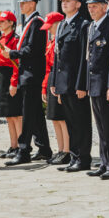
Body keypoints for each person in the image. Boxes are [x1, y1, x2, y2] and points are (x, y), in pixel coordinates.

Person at [3, 0, 53, 166]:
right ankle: (44, 148)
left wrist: (13, 53)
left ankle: (23, 150)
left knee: (28, 113)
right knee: (36, 114)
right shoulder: (29, 22)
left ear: (32, 3)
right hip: (27, 73)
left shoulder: (37, 22)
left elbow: (33, 49)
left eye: (24, 3)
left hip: (32, 74)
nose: (21, 5)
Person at [52, 0, 92, 172]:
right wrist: (54, 81)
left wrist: (82, 84)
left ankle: (83, 158)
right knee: (70, 122)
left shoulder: (83, 25)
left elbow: (85, 58)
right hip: (63, 82)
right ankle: (74, 156)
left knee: (81, 121)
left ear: (78, 4)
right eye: (63, 1)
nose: (64, 3)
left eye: (69, 1)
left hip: (76, 83)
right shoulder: (61, 25)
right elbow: (57, 56)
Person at [84, 0, 109, 180]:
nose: (91, 10)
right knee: (100, 127)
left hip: (105, 85)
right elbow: (89, 60)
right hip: (95, 84)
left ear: (105, 7)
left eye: (95, 7)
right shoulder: (91, 26)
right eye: (89, 7)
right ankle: (104, 162)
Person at [0, 10, 22, 157]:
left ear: (11, 23)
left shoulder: (15, 40)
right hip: (2, 76)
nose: (0, 24)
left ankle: (21, 146)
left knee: (16, 114)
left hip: (11, 75)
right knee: (8, 115)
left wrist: (14, 82)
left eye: (3, 21)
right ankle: (13, 145)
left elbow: (17, 62)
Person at [42, 11, 70, 166]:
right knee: (54, 118)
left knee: (62, 118)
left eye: (51, 26)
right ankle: (60, 149)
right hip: (52, 78)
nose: (49, 30)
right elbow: (47, 68)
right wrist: (44, 87)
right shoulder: (51, 43)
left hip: (60, 78)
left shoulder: (60, 42)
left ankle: (67, 150)